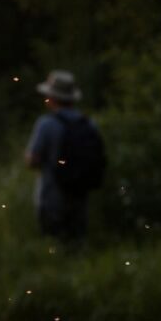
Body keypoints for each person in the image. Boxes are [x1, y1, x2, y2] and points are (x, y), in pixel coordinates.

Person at [25, 70, 105, 242]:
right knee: (77, 248)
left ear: (52, 98)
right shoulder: (89, 124)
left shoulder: (46, 124)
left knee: (53, 247)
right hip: (80, 197)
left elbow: (32, 160)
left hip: (51, 198)